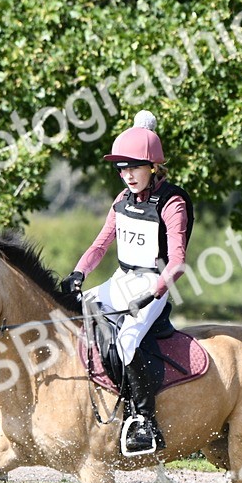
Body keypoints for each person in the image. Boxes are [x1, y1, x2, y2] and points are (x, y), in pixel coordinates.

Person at [61, 110, 194, 454]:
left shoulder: (172, 202)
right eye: (122, 169)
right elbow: (101, 244)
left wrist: (155, 293)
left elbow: (177, 262)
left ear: (153, 167)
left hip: (154, 283)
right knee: (77, 314)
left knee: (128, 340)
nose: (128, 175)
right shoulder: (121, 201)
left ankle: (142, 421)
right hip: (122, 279)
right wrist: (78, 274)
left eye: (134, 167)